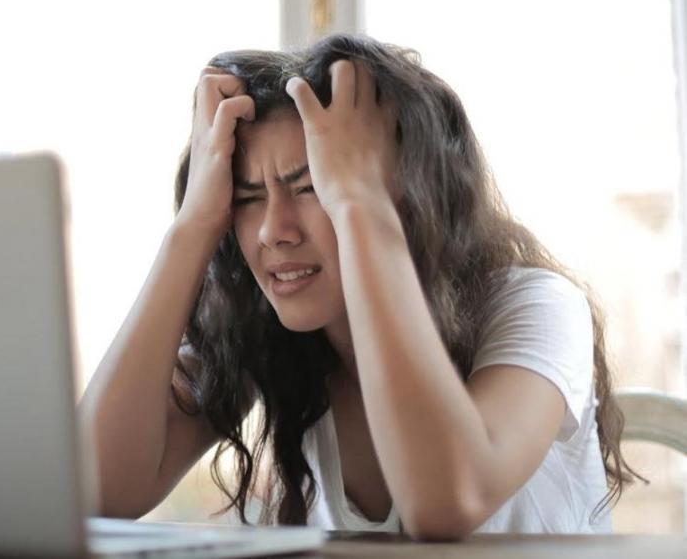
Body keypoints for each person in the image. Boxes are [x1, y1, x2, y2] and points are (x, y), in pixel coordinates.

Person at [79, 33, 641, 539]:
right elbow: (95, 492)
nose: (274, 230)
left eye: (313, 187)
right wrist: (193, 226)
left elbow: (447, 501)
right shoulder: (271, 336)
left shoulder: (537, 305)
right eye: (247, 198)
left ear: (407, 193)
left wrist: (359, 203)